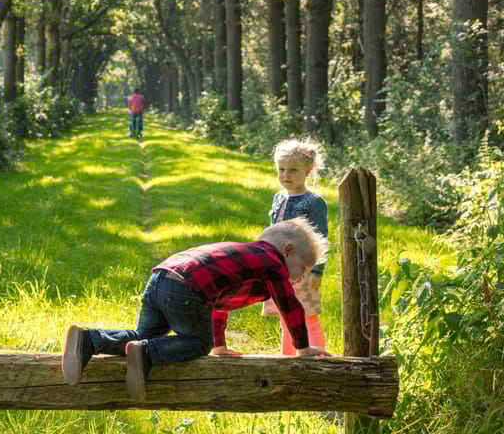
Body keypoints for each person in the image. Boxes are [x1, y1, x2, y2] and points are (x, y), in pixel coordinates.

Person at [61, 218, 330, 401]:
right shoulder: (272, 262)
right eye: (303, 269)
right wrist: (302, 348)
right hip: (187, 287)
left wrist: (220, 345)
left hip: (161, 277)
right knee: (198, 343)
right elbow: (290, 306)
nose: (300, 278)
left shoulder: (245, 257)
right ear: (288, 251)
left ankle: (89, 340)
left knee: (144, 334)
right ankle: (146, 353)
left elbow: (219, 303)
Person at [262, 139, 329, 356]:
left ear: (307, 171)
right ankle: (288, 358)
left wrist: (317, 270)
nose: (286, 175)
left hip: (303, 267)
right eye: (281, 169)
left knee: (308, 315)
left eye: (293, 170)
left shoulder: (313, 202)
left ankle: (316, 358)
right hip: (279, 267)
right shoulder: (278, 198)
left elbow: (321, 237)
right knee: (286, 314)